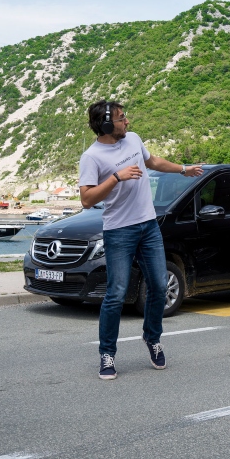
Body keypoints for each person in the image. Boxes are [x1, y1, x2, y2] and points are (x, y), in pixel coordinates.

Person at [78, 100, 203, 380]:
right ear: (107, 124)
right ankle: (107, 353)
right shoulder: (92, 157)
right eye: (122, 119)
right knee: (116, 293)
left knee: (159, 286)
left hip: (148, 226)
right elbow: (86, 200)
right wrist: (116, 178)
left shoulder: (133, 139)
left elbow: (153, 162)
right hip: (119, 230)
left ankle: (153, 338)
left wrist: (184, 169)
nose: (127, 122)